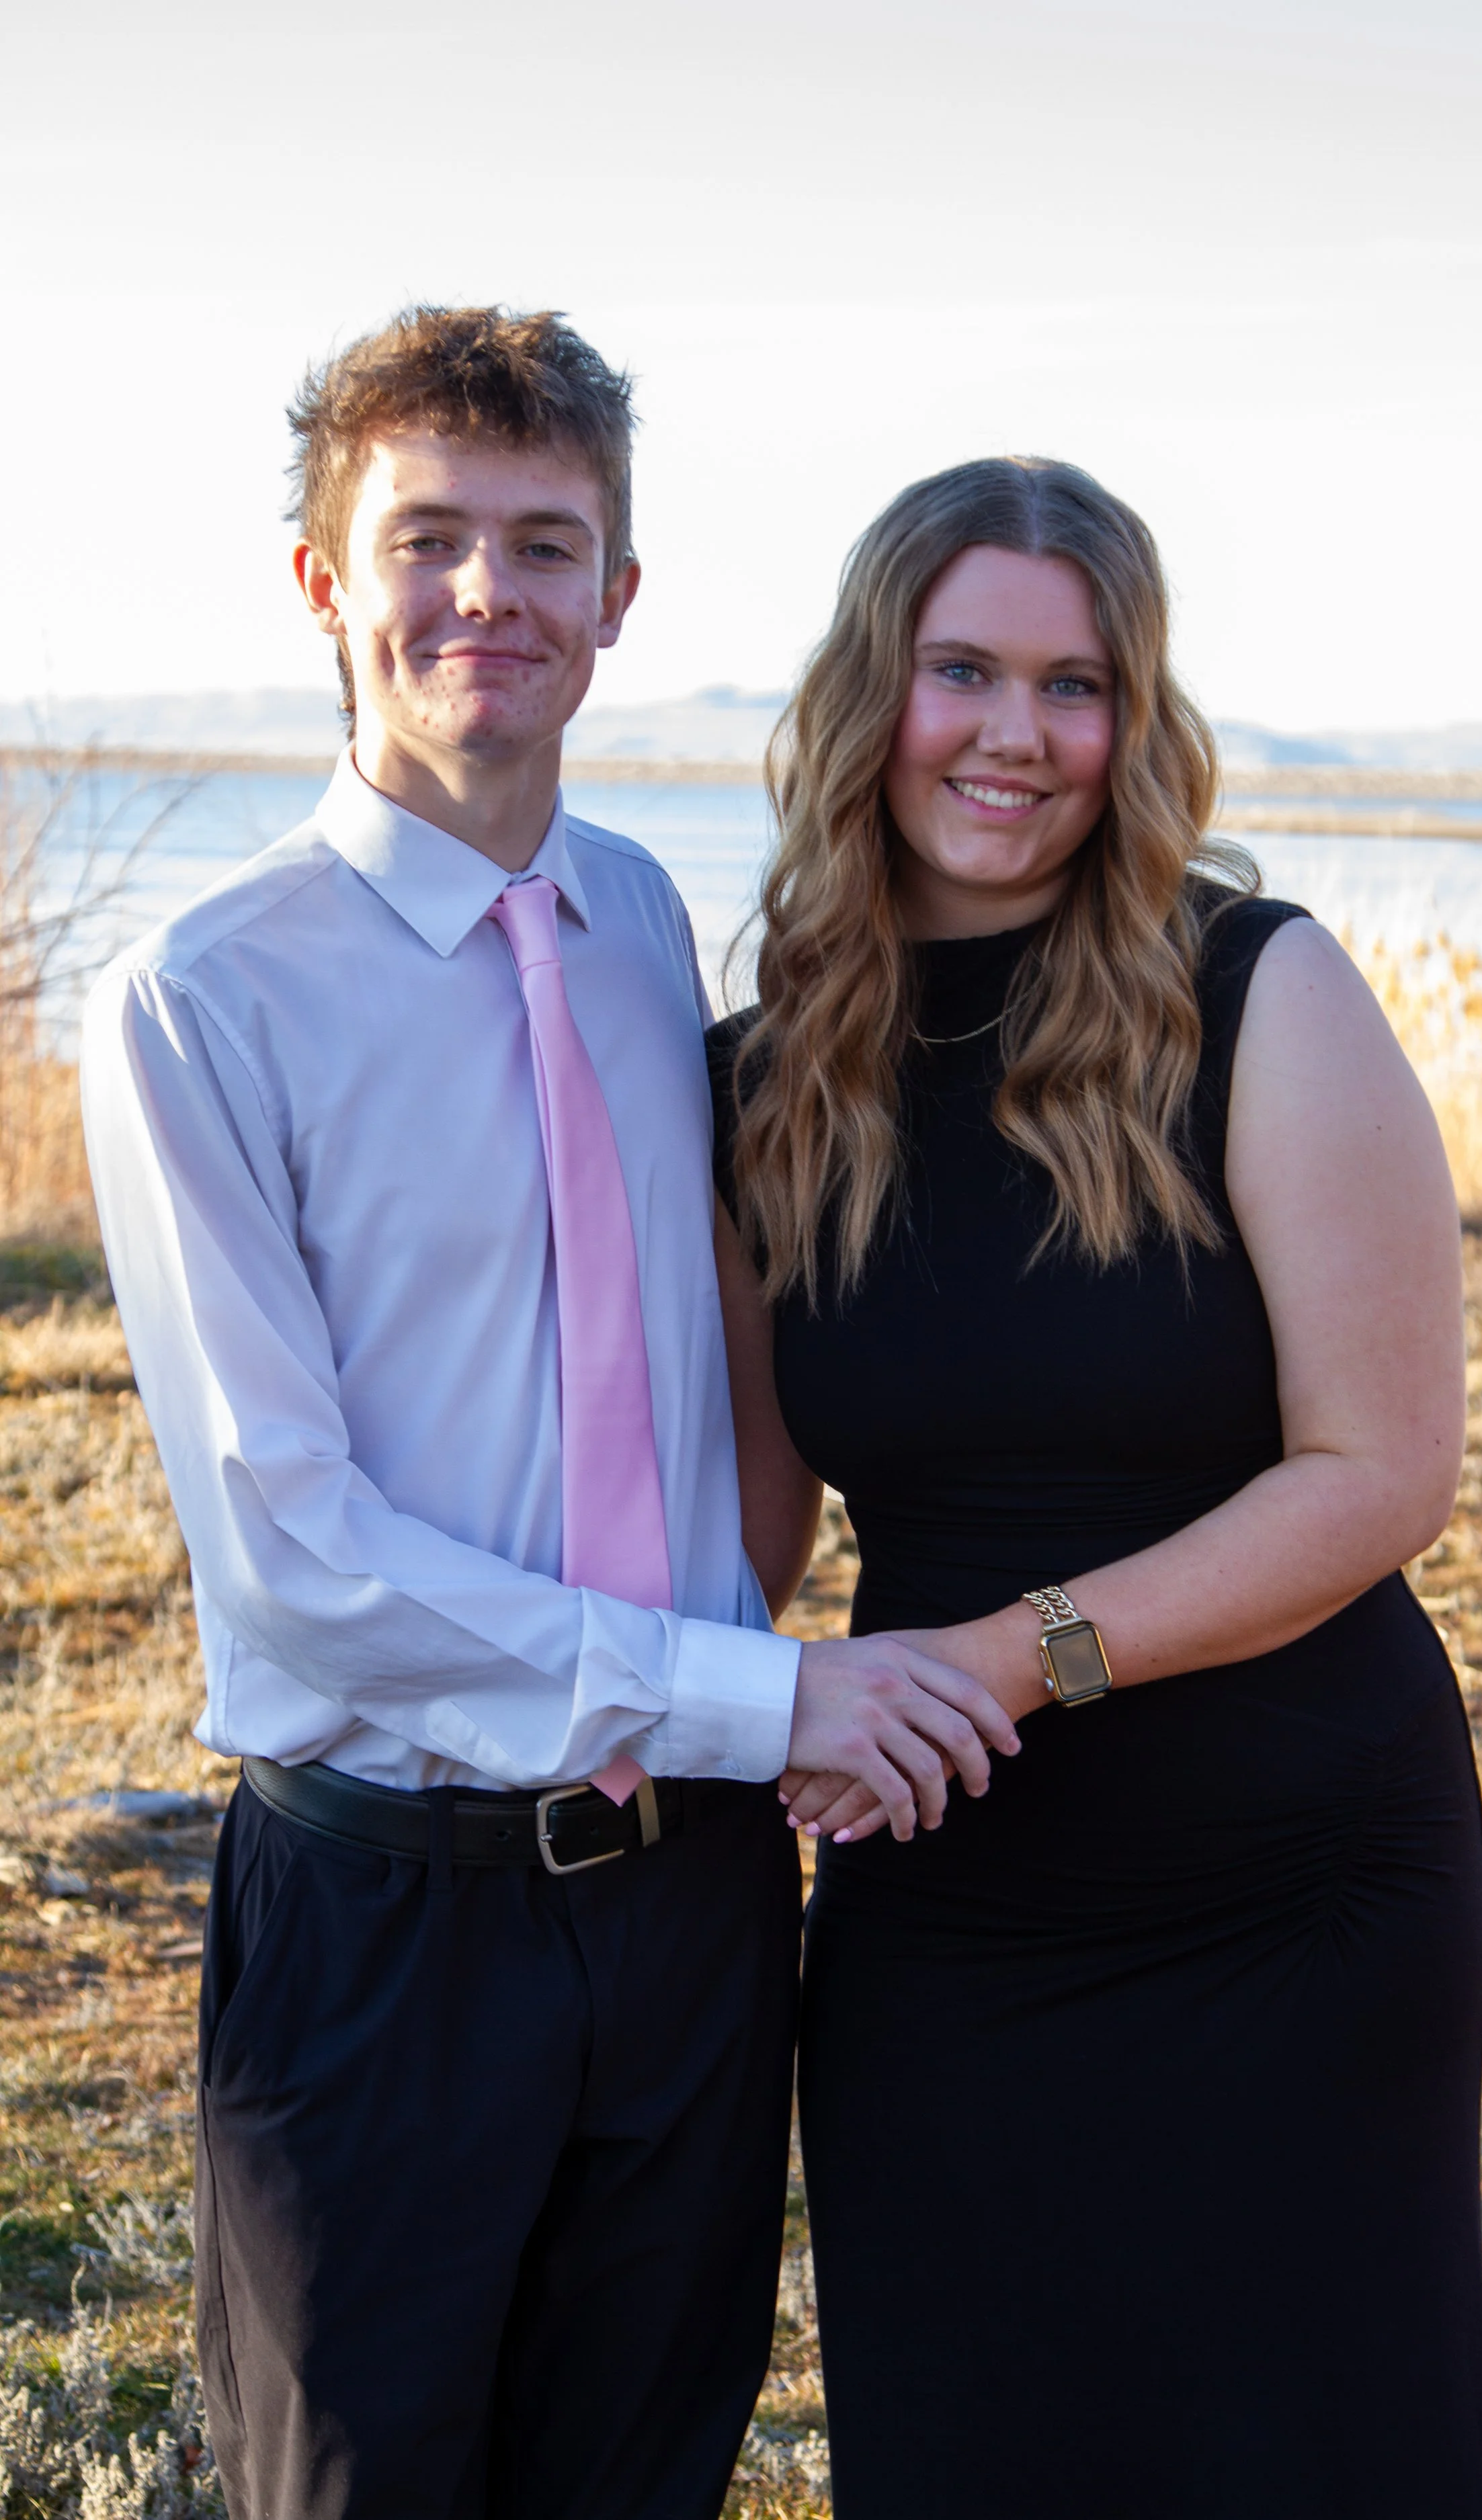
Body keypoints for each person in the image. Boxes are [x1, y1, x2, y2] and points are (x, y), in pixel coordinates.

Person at [79, 307, 1016, 2520]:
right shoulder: (206, 999)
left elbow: (695, 1380)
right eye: (427, 539)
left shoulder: (633, 921)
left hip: (690, 1915)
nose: (484, 594)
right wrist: (754, 1693)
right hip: (391, 1918)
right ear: (325, 581)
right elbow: (299, 1566)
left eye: (543, 543)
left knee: (643, 2473)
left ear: (618, 600)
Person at [708, 456, 1482, 2518]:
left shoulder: (1259, 990)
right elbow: (752, 1528)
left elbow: (1380, 1468)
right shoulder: (763, 1071)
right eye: (960, 669)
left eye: (1075, 687)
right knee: (971, 2439)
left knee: (1307, 2453)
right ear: (867, 691)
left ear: (1132, 723)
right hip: (949, 1899)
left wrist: (1012, 1654)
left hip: (1295, 1881)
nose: (1016, 736)